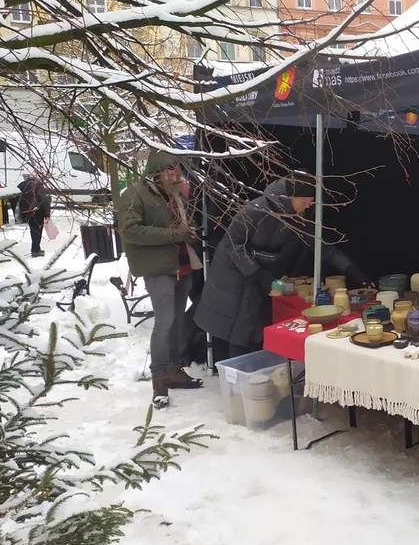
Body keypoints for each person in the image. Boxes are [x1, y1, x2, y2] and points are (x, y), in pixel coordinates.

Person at [194, 175, 370, 357]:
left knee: (256, 325)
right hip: (236, 271)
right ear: (290, 197)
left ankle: (257, 373)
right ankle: (238, 377)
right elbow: (232, 243)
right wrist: (257, 272)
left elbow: (320, 245)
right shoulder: (255, 210)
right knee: (240, 327)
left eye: (311, 202)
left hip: (262, 271)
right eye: (305, 201)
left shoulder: (297, 216)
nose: (308, 205)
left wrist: (350, 269)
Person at [119, 151, 203, 409]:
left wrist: (190, 231)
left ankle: (174, 370)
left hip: (182, 264)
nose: (175, 175)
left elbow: (183, 224)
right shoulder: (134, 194)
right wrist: (174, 233)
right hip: (159, 269)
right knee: (164, 323)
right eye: (170, 171)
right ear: (156, 171)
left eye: (177, 171)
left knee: (177, 322)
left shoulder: (177, 193)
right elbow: (130, 231)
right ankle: (159, 382)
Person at [17, 174, 51, 257]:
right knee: (37, 231)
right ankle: (35, 250)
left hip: (28, 211)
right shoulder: (38, 185)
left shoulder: (23, 185)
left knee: (33, 230)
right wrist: (47, 212)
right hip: (38, 211)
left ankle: (36, 248)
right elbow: (43, 199)